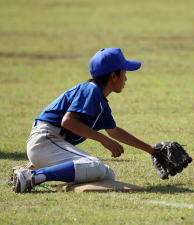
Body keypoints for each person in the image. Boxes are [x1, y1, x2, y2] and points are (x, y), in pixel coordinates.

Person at [12, 48, 156, 193]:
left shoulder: (100, 101)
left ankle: (27, 169)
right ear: (113, 75)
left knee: (107, 174)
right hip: (45, 140)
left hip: (51, 143)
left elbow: (114, 131)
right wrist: (103, 140)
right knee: (94, 165)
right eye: (124, 72)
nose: (125, 78)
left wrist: (152, 150)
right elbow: (68, 121)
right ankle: (31, 176)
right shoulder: (90, 90)